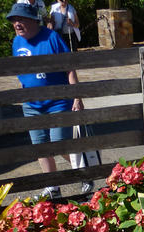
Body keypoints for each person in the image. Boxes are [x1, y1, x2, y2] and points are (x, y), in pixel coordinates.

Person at [7, 2, 85, 200]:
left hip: (58, 101)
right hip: (31, 104)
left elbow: (69, 67)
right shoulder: (17, 42)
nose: (17, 24)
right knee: (40, 146)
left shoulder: (51, 38)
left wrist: (76, 96)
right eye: (14, 20)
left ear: (33, 20)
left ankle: (85, 169)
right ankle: (52, 186)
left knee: (59, 143)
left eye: (21, 19)